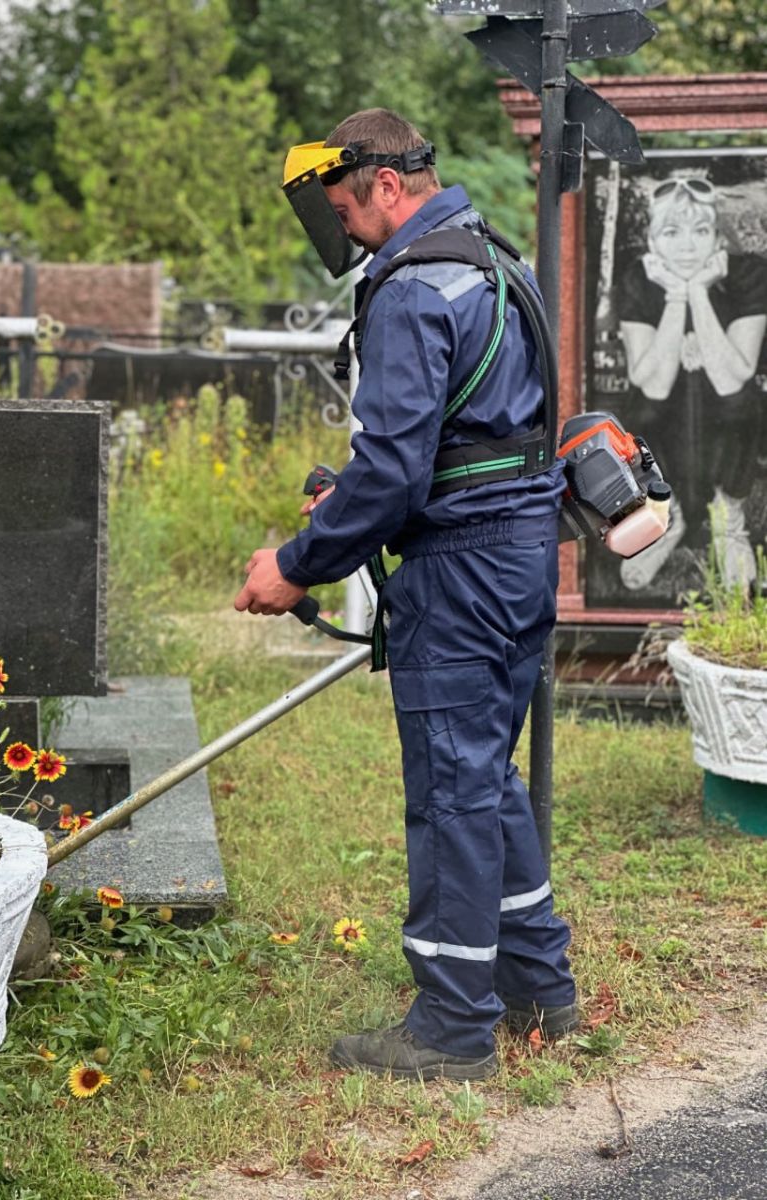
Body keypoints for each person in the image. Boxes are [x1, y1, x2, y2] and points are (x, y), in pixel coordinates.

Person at [234, 109, 577, 1081]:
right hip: (517, 558)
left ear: (387, 184)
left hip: (461, 574)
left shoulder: (412, 290)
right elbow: (476, 441)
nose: (343, 229)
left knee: (451, 788)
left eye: (345, 208)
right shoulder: (497, 265)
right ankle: (537, 985)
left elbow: (390, 475)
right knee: (486, 773)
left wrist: (297, 564)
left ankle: (453, 1024)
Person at [617, 175, 767, 591]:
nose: (687, 245)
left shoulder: (750, 273)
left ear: (718, 238)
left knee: (740, 399)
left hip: (728, 410)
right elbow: (653, 382)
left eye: (700, 231)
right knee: (646, 402)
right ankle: (670, 513)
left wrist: (698, 292)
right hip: (667, 412)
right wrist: (675, 298)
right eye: (672, 231)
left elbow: (733, 374)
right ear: (653, 241)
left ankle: (727, 516)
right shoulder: (638, 278)